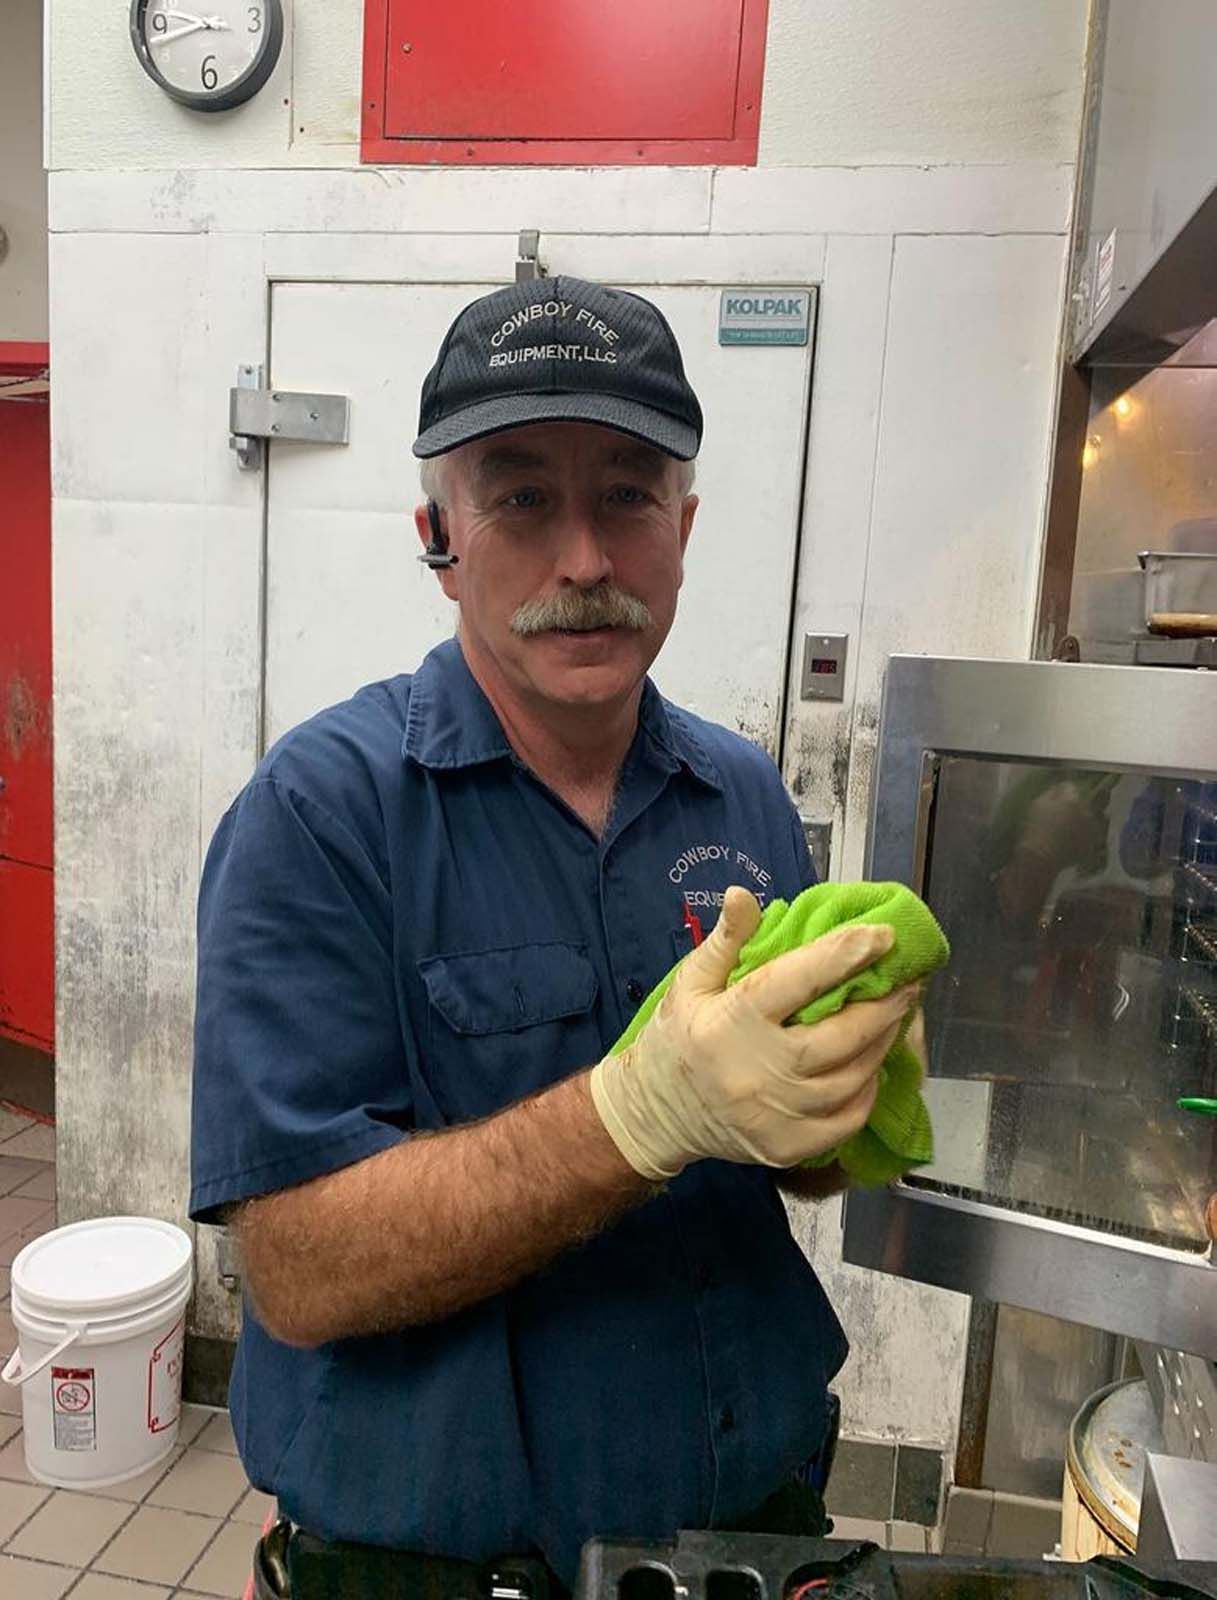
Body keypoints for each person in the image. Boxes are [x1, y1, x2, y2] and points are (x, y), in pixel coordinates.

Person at [189, 276, 919, 1600]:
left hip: (743, 1532)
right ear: (439, 535)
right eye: (520, 497)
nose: (583, 560)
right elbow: (294, 1269)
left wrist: (827, 1108)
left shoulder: (742, 796)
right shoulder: (321, 815)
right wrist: (637, 1114)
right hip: (427, 1570)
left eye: (627, 494)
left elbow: (780, 1173)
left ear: (682, 530)